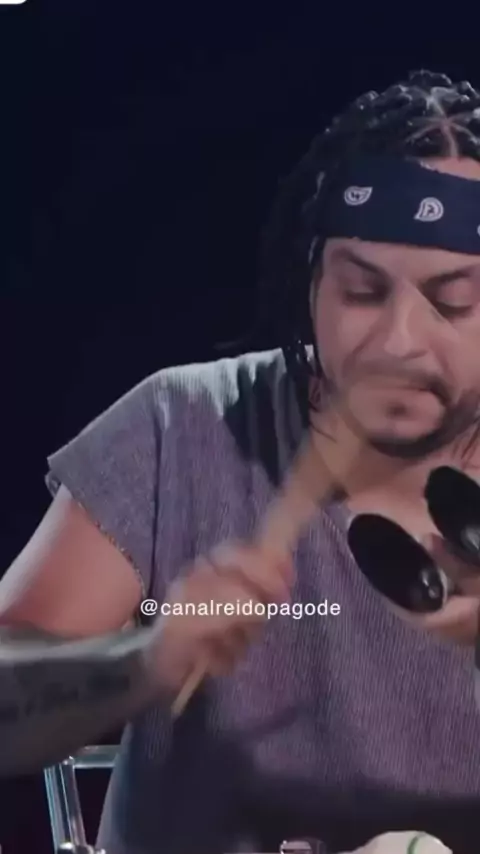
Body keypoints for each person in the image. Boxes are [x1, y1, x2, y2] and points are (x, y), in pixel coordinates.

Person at [2, 68, 480, 854]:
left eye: (452, 301)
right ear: (310, 284)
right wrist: (139, 663)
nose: (398, 341)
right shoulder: (182, 425)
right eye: (362, 292)